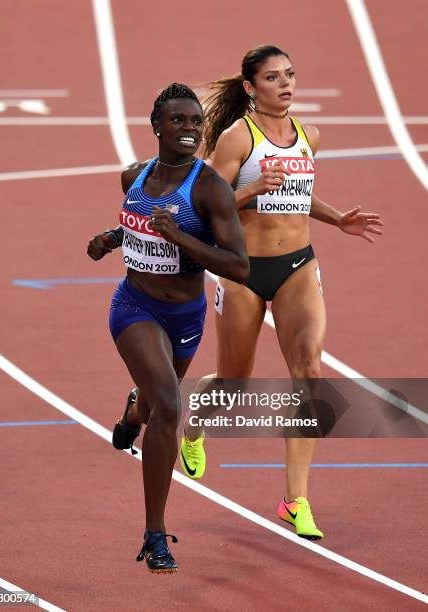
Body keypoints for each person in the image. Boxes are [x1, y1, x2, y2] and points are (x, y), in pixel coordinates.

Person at [180, 45, 384, 540]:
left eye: (290, 74)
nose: (286, 83)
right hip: (244, 270)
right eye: (273, 78)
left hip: (298, 266)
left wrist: (339, 220)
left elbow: (296, 193)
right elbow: (200, 205)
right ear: (251, 88)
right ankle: (196, 422)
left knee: (309, 372)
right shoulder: (235, 139)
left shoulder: (309, 135)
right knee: (234, 384)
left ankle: (295, 500)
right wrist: (249, 191)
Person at [87, 83, 249, 573]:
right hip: (133, 307)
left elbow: (238, 265)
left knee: (156, 401)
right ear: (156, 126)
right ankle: (154, 534)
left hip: (185, 316)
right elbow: (136, 222)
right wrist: (113, 238)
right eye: (178, 121)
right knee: (173, 406)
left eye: (196, 123)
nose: (189, 130)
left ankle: (134, 411)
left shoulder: (209, 188)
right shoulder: (133, 176)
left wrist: (178, 236)